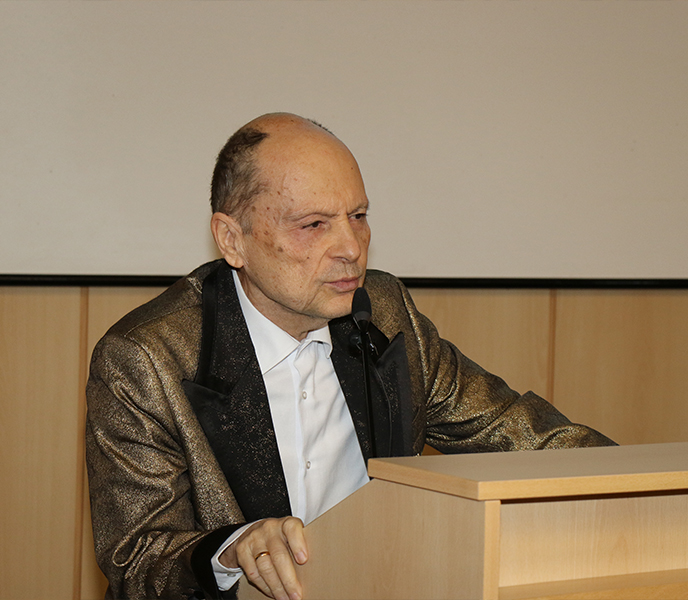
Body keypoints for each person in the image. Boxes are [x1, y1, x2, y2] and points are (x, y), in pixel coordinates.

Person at [85, 113, 615, 600]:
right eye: (313, 224)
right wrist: (232, 551)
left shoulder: (384, 312)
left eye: (358, 216)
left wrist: (639, 489)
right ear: (232, 239)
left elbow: (523, 436)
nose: (351, 248)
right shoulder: (146, 358)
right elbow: (139, 558)